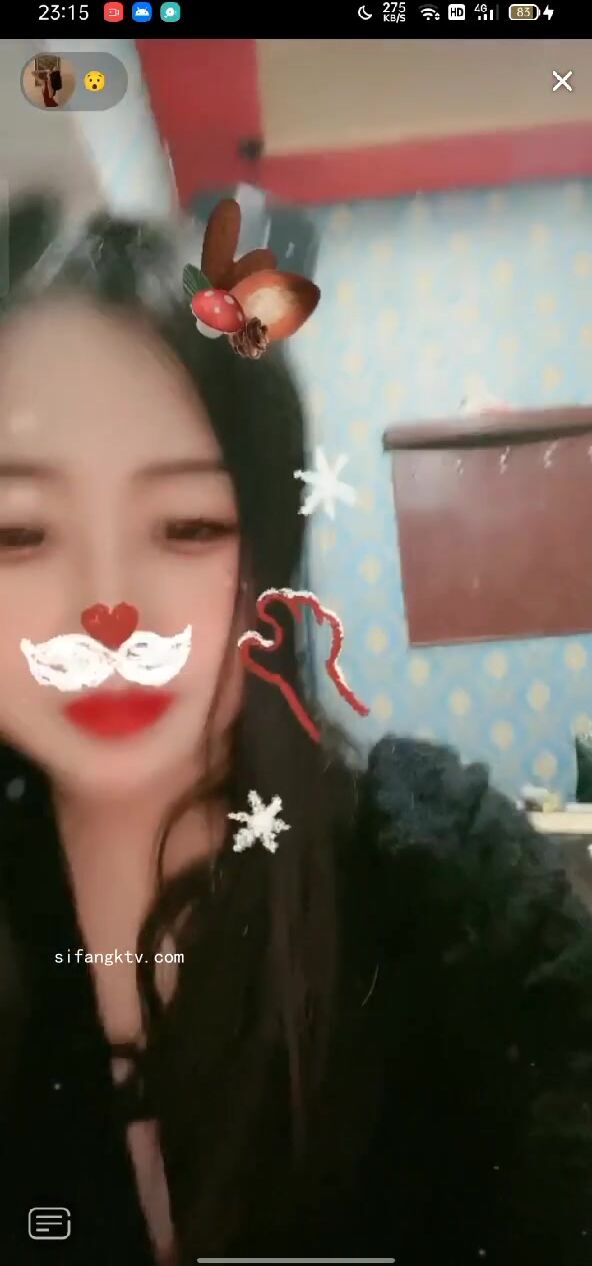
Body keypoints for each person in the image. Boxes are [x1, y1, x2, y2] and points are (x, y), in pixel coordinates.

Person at [0, 192, 591, 1266]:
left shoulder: (433, 879)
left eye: (187, 524)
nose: (107, 610)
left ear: (264, 559)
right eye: (20, 531)